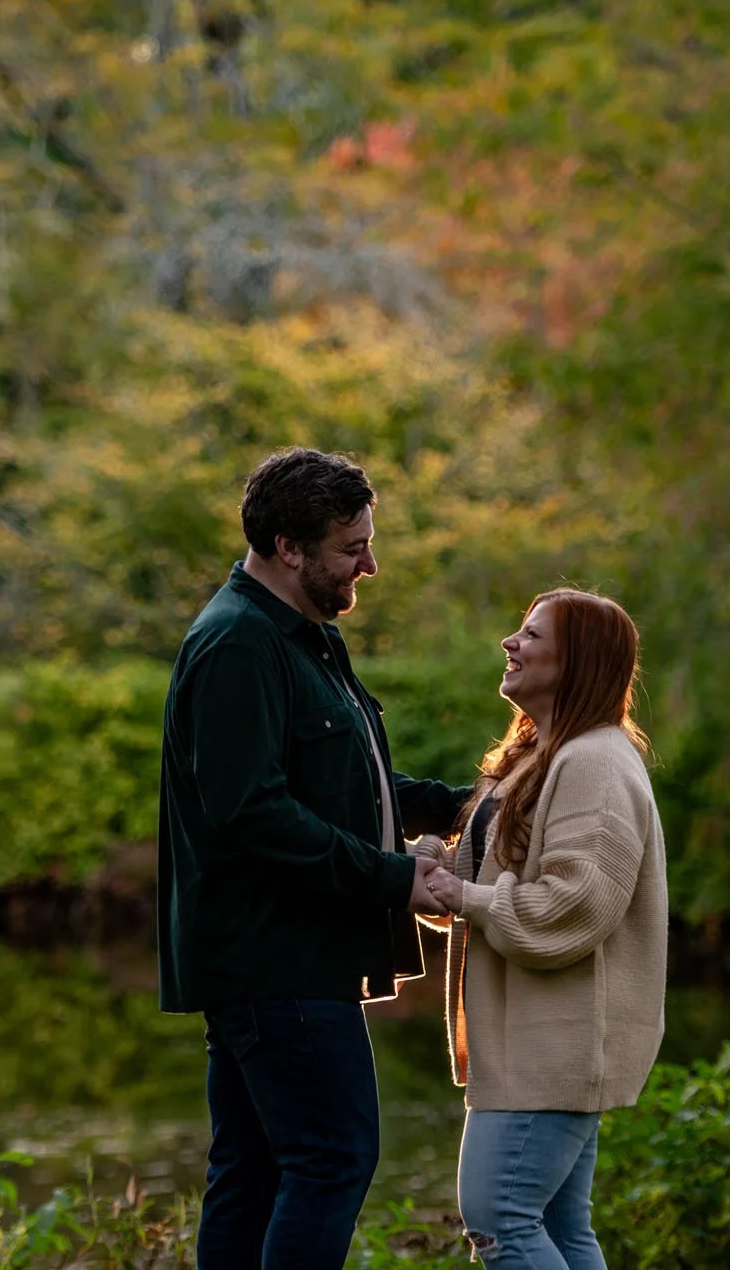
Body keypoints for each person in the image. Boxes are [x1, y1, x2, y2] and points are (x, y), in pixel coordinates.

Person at [158, 446, 472, 1269]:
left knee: (255, 1171)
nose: (370, 563)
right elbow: (251, 813)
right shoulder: (238, 647)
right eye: (351, 546)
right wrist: (396, 877)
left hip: (281, 963)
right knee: (333, 1160)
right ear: (288, 547)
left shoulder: (299, 637)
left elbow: (343, 781)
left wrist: (458, 804)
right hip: (277, 964)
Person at [417, 589, 667, 1270]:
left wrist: (465, 895)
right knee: (559, 1227)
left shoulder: (594, 762)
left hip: (554, 1044)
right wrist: (422, 872)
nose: (510, 643)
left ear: (577, 661)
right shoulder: (541, 755)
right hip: (531, 1042)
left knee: (499, 1220)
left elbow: (573, 904)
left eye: (531, 634)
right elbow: (488, 874)